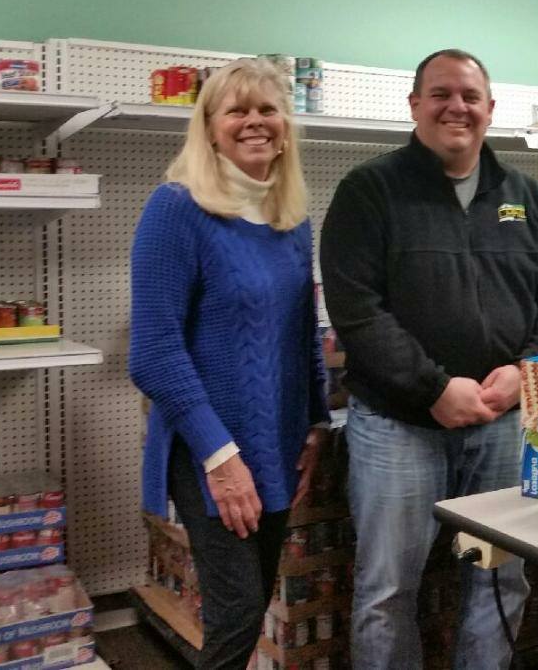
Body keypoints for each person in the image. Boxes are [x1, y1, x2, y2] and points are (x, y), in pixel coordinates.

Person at [320, 49, 538, 670]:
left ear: (490, 109)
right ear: (414, 106)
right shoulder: (369, 191)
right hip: (397, 428)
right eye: (440, 94)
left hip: (503, 422)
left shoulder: (525, 197)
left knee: (499, 579)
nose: (455, 107)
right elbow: (358, 311)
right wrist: (433, 387)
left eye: (469, 96)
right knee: (387, 591)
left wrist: (527, 370)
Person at [130, 58, 328, 670]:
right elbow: (154, 353)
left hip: (276, 440)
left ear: (286, 126)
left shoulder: (291, 219)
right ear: (210, 126)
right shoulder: (176, 210)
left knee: (254, 597)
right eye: (237, 110)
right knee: (238, 609)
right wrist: (220, 458)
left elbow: (303, 336)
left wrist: (316, 425)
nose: (255, 122)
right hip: (208, 448)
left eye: (268, 109)